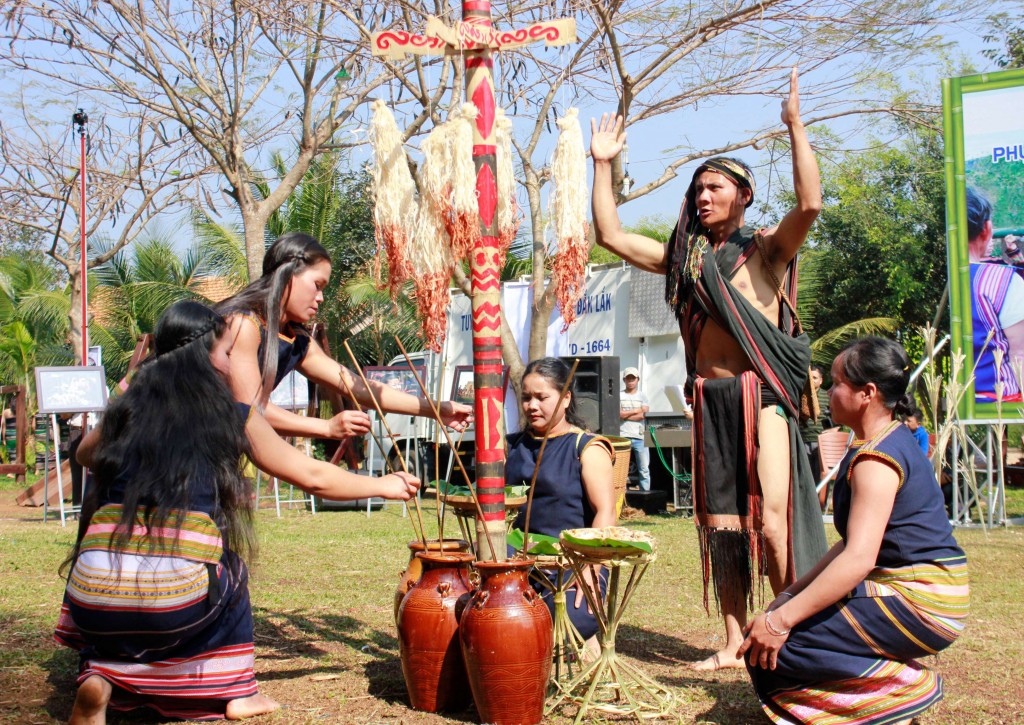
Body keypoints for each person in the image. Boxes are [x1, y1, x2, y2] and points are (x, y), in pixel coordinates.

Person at [56, 301, 420, 724]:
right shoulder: (231, 415)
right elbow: (312, 475)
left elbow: (84, 455)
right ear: (207, 356)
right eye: (227, 352)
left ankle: (103, 676)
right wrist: (383, 485)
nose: (232, 363)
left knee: (123, 597)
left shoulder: (128, 410)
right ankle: (238, 693)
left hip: (91, 597)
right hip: (170, 601)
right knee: (229, 571)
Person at [590, 68, 828, 669]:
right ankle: (731, 641)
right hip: (710, 400)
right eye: (697, 188)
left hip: (762, 396)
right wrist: (602, 164)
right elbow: (611, 235)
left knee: (770, 524)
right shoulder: (683, 260)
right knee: (722, 527)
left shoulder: (766, 250)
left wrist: (796, 126)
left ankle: (785, 628)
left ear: (743, 195)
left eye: (715, 186)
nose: (702, 196)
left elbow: (810, 204)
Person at [739, 336, 969, 724]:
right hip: (918, 593)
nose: (827, 392)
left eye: (836, 383)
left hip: (922, 600)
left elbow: (859, 559)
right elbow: (848, 546)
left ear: (867, 393)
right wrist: (789, 597)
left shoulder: (876, 460)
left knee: (770, 649)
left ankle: (904, 687)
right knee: (767, 642)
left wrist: (780, 622)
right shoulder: (881, 441)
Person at [215, 232, 472, 441]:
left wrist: (435, 409)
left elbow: (357, 387)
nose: (320, 298)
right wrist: (326, 427)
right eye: (317, 285)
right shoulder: (243, 324)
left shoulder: (297, 340)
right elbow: (251, 409)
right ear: (287, 274)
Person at [506, 357, 617, 644]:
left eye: (542, 397)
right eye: (526, 398)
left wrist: (591, 566)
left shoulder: (587, 447)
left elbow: (606, 511)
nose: (532, 405)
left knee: (564, 625)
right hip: (515, 563)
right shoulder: (511, 446)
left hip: (573, 564)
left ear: (566, 398)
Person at [967, 187, 1024, 402]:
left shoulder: (953, 277)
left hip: (967, 396)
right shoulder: (1002, 279)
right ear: (987, 229)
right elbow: (1020, 355)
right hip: (1000, 396)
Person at [798, 364, 831, 485]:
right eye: (809, 377)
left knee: (821, 475)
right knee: (804, 476)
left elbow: (836, 419)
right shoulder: (800, 396)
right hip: (803, 440)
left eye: (815, 378)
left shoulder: (828, 396)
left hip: (821, 443)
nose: (811, 380)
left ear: (821, 380)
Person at [619, 366, 650, 491]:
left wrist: (626, 416)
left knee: (644, 469)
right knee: (620, 469)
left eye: (633, 378)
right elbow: (619, 414)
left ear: (638, 379)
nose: (631, 381)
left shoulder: (643, 396)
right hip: (623, 436)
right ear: (624, 380)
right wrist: (637, 410)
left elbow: (643, 415)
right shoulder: (619, 395)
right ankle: (620, 495)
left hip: (640, 436)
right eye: (628, 378)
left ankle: (645, 495)